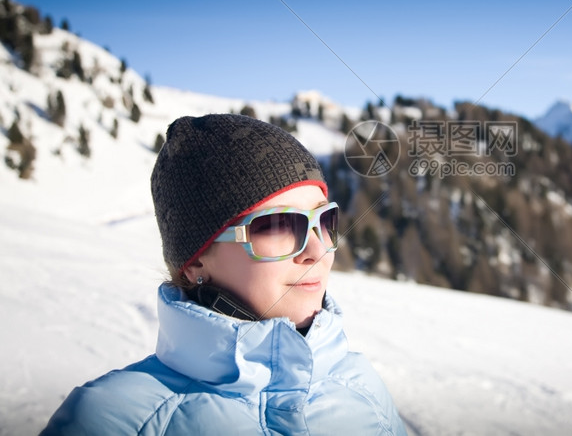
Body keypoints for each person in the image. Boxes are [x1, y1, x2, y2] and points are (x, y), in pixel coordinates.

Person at [42, 113, 408, 435]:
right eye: (278, 225)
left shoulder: (362, 387)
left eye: (323, 221)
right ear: (196, 260)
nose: (319, 250)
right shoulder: (110, 420)